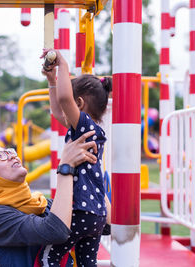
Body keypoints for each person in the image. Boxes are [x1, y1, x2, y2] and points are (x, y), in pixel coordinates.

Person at [0, 131, 100, 267]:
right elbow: (56, 231)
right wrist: (66, 167)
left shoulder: (40, 202)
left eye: (9, 151)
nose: (11, 156)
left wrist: (91, 165)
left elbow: (97, 222)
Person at [41, 49, 112, 266]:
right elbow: (57, 110)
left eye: (71, 104)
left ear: (79, 104)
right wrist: (52, 80)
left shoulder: (84, 126)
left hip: (80, 210)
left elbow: (63, 99)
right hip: (96, 215)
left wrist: (63, 65)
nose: (66, 108)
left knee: (49, 256)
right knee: (86, 262)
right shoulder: (89, 129)